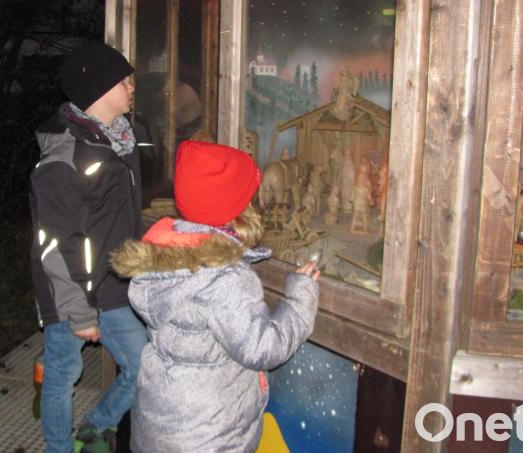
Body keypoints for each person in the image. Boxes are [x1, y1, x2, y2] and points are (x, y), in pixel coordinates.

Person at [111, 140, 320, 452]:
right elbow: (262, 348)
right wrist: (300, 298)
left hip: (159, 426)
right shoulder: (226, 279)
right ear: (235, 209)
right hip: (209, 438)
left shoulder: (163, 252)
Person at [29, 41, 148, 453]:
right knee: (64, 374)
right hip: (71, 291)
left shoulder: (120, 138)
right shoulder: (66, 154)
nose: (132, 88)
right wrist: (78, 311)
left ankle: (96, 427)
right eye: (124, 81)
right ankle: (58, 448)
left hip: (113, 284)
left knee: (144, 366)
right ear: (99, 89)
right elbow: (54, 243)